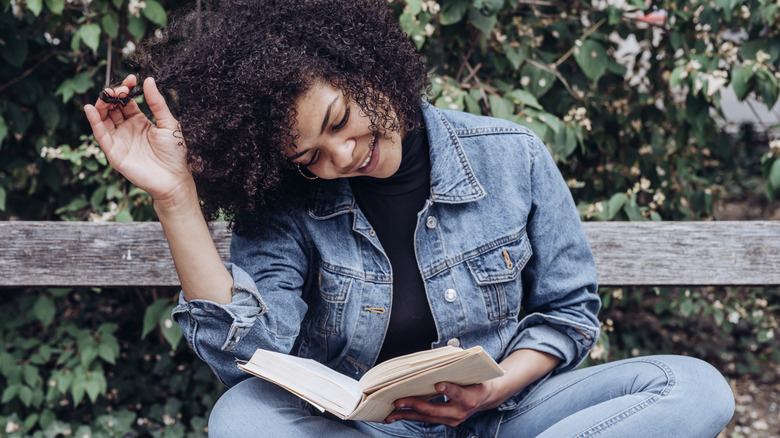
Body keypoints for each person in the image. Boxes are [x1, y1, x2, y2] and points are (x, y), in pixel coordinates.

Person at [84, 0, 735, 436]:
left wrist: (496, 387)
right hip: (366, 428)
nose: (345, 156)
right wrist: (174, 197)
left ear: (365, 66)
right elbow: (248, 358)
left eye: (339, 121)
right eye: (310, 156)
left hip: (507, 417)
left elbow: (568, 314)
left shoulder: (511, 155)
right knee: (242, 418)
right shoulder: (287, 204)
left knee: (692, 387)